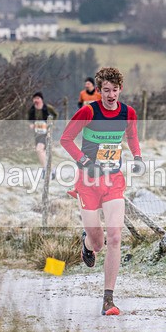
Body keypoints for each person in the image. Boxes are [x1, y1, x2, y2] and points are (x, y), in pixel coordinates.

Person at [60, 67, 144, 316]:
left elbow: (132, 137)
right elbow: (65, 139)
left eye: (114, 90)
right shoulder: (88, 111)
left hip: (113, 180)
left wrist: (137, 156)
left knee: (115, 238)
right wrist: (84, 161)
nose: (110, 95)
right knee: (98, 243)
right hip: (88, 182)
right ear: (99, 91)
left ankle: (109, 299)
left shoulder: (128, 113)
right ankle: (86, 242)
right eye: (105, 90)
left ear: (120, 89)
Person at [28, 92, 59, 178]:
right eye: (35, 98)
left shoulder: (47, 108)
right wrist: (31, 124)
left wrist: (52, 124)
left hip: (46, 133)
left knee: (39, 149)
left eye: (38, 98)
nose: (36, 100)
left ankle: (46, 169)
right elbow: (30, 119)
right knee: (43, 152)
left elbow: (55, 114)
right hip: (37, 133)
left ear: (41, 99)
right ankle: (51, 169)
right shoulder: (32, 109)